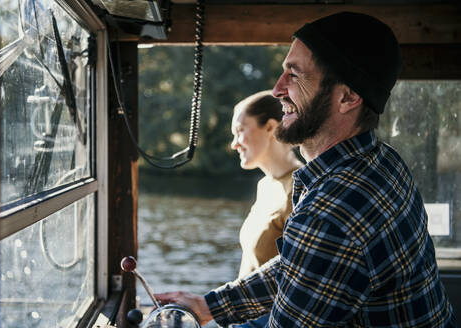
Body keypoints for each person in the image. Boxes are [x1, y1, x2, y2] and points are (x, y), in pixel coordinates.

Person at [155, 12, 456, 327]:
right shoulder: (384, 161)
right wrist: (209, 307)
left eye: (294, 75)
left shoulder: (330, 213)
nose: (277, 89)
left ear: (348, 97)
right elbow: (303, 268)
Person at [230, 91, 303, 327]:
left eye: (240, 131)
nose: (234, 143)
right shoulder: (265, 185)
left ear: (271, 127)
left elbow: (298, 283)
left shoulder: (302, 188)